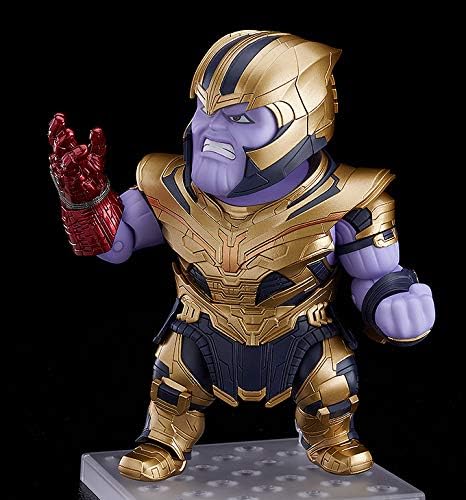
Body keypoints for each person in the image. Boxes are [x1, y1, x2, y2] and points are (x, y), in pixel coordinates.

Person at [48, 30, 435, 481]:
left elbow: (376, 275)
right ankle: (164, 438)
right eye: (204, 110)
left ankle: (328, 434)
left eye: (241, 118)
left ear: (303, 122)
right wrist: (85, 202)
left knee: (330, 380)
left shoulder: (348, 198)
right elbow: (116, 245)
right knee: (173, 376)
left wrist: (396, 306)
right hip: (203, 325)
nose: (211, 131)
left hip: (300, 329)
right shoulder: (168, 186)